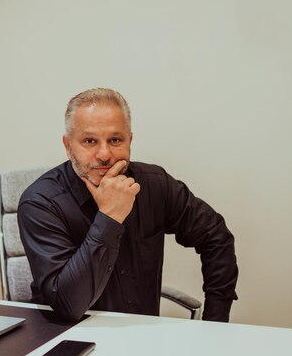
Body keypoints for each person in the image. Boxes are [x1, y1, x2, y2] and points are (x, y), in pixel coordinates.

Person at [18, 88, 238, 322]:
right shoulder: (40, 203)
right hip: (65, 340)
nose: (104, 154)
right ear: (68, 145)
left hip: (140, 339)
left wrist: (215, 321)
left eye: (115, 140)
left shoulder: (155, 184)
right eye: (89, 141)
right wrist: (109, 218)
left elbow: (216, 236)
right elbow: (68, 306)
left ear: (129, 140)